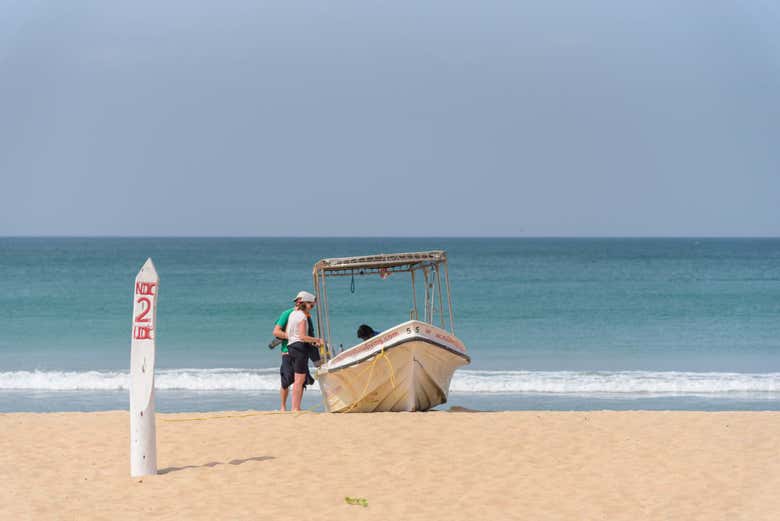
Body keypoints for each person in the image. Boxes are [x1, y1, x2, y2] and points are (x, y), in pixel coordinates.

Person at [272, 291, 316, 411]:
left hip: (300, 348)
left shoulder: (306, 315)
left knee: (301, 381)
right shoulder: (287, 313)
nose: (298, 303)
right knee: (286, 380)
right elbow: (276, 331)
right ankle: (283, 406)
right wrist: (292, 336)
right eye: (297, 301)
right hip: (287, 350)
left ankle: (297, 407)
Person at [286, 293, 324, 411]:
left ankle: (295, 407)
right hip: (299, 347)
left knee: (297, 379)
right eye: (311, 306)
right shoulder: (302, 317)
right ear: (306, 304)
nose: (311, 308)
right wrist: (317, 340)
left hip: (291, 346)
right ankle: (295, 407)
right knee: (299, 380)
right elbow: (302, 336)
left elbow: (289, 334)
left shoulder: (292, 314)